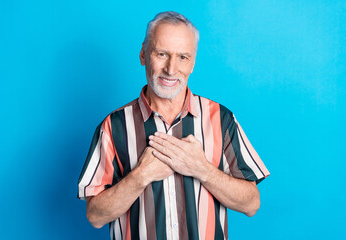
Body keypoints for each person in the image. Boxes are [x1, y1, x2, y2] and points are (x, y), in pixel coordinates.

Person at [77, 11, 270, 240]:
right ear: (143, 54)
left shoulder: (221, 119)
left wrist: (202, 169)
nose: (171, 69)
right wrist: (140, 176)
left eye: (183, 57)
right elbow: (95, 216)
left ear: (193, 63)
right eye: (162, 54)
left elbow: (251, 204)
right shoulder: (113, 126)